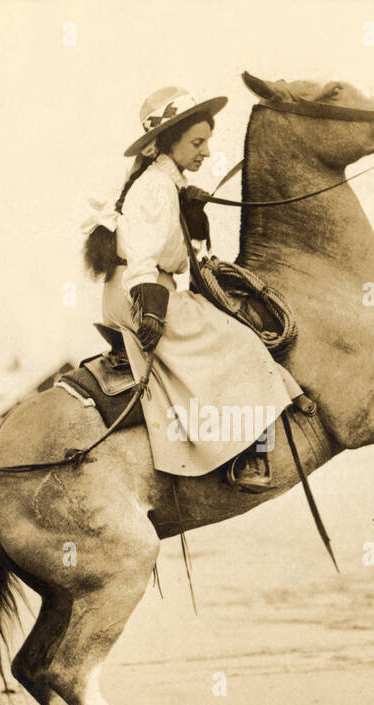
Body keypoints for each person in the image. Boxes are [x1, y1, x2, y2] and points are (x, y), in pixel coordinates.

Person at [81, 87, 302, 491]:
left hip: (146, 290)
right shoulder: (154, 186)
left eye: (208, 142)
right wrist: (151, 309)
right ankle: (247, 458)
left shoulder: (167, 185)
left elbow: (186, 260)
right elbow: (145, 256)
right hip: (141, 295)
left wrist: (192, 214)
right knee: (240, 340)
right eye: (197, 143)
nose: (205, 152)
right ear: (169, 142)